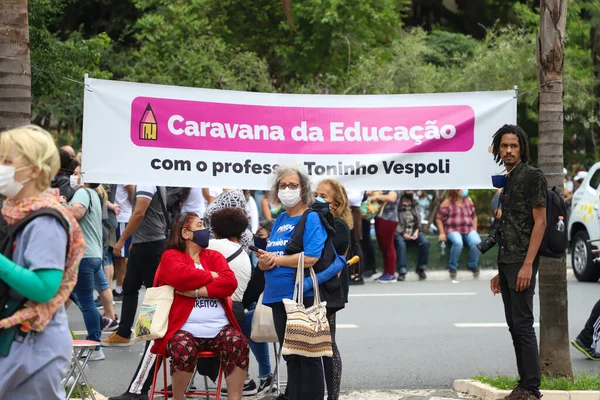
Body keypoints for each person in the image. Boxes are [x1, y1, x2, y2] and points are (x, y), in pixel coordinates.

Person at [0, 125, 85, 399]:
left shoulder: (45, 220)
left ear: (35, 170)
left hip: (33, 346)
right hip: (20, 340)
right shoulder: (14, 212)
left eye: (8, 161)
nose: (1, 167)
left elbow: (44, 287)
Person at [150, 212, 249, 400]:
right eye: (200, 225)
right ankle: (178, 397)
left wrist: (197, 292)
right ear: (186, 233)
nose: (206, 230)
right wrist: (212, 276)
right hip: (183, 329)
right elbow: (179, 276)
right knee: (182, 347)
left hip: (219, 328)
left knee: (239, 342)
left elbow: (229, 283)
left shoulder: (214, 256)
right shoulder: (171, 256)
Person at [258, 165, 328, 400]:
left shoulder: (311, 217)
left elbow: (311, 256)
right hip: (278, 296)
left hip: (299, 295)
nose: (287, 189)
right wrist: (265, 262)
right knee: (291, 356)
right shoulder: (280, 219)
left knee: (307, 356)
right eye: (283, 185)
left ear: (303, 189)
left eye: (293, 185)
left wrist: (276, 259)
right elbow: (272, 255)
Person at [489, 124, 547, 400]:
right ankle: (524, 383)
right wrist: (500, 270)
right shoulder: (509, 178)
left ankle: (531, 387)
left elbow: (540, 222)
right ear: (498, 150)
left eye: (513, 145)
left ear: (522, 147)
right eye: (504, 146)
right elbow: (509, 228)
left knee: (523, 324)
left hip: (523, 262)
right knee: (514, 325)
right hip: (507, 262)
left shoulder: (532, 176)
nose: (509, 150)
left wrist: (527, 265)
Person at [103, 185, 168, 347]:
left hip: (150, 243)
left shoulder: (146, 182)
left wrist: (122, 240)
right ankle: (124, 332)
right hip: (144, 242)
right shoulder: (151, 181)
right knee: (130, 287)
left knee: (152, 292)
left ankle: (149, 335)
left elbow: (139, 213)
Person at [62, 167, 117, 360]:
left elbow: (76, 212)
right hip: (92, 254)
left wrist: (59, 205)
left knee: (85, 301)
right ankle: (99, 322)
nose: (74, 176)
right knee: (69, 293)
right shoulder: (94, 194)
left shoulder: (83, 192)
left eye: (78, 172)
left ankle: (95, 346)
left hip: (84, 255)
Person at [314, 178, 352, 400]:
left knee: (328, 344)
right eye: (316, 194)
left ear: (335, 204)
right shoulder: (314, 221)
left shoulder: (339, 226)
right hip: (314, 289)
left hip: (328, 292)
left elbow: (326, 259)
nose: (317, 199)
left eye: (324, 196)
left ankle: (333, 395)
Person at [436, 189, 481, 279]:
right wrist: (442, 233)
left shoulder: (468, 200)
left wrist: (474, 230)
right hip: (453, 229)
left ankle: (473, 264)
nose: (464, 190)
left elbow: (474, 217)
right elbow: (439, 218)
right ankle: (452, 266)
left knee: (477, 242)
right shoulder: (447, 202)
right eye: (462, 188)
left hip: (468, 229)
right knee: (458, 243)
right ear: (456, 190)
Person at [395, 190, 429, 281]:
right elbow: (395, 222)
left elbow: (419, 219)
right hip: (401, 232)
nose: (410, 192)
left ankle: (421, 268)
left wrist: (417, 231)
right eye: (408, 190)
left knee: (425, 243)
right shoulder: (398, 204)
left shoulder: (415, 203)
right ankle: (402, 271)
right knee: (401, 244)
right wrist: (403, 233)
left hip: (414, 231)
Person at [370, 190, 401, 283]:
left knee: (388, 246)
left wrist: (376, 197)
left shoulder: (396, 188)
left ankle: (391, 273)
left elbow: (391, 198)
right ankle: (386, 272)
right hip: (380, 217)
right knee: (383, 247)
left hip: (389, 219)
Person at [113, 184, 135, 302]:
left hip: (123, 217)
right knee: (119, 257)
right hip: (118, 217)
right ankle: (119, 287)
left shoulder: (125, 176)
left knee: (121, 256)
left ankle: (120, 289)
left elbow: (133, 195)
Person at [346, 190, 365, 284]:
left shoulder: (357, 184)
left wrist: (344, 195)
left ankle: (358, 274)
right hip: (345, 212)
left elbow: (354, 199)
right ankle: (348, 273)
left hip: (353, 212)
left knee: (355, 243)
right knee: (348, 245)